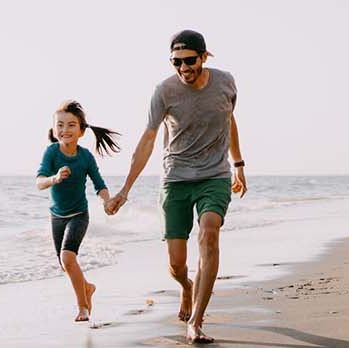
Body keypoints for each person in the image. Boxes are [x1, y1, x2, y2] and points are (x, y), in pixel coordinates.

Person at [105, 29, 247, 343]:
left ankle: (196, 320)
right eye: (176, 62)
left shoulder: (226, 82)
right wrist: (125, 190)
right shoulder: (164, 92)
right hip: (176, 179)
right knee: (176, 264)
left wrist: (238, 165)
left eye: (190, 61)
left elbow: (229, 120)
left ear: (204, 57)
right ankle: (186, 287)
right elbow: (147, 139)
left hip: (214, 175)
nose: (184, 68)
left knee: (209, 235)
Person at [35, 100, 120, 322]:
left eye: (71, 125)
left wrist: (107, 201)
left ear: (82, 130)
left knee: (67, 258)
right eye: (60, 125)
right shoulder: (52, 153)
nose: (65, 130)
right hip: (57, 216)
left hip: (79, 215)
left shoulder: (85, 157)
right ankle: (88, 288)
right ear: (54, 130)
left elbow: (99, 184)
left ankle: (83, 307)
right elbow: (39, 182)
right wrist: (54, 178)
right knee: (66, 265)